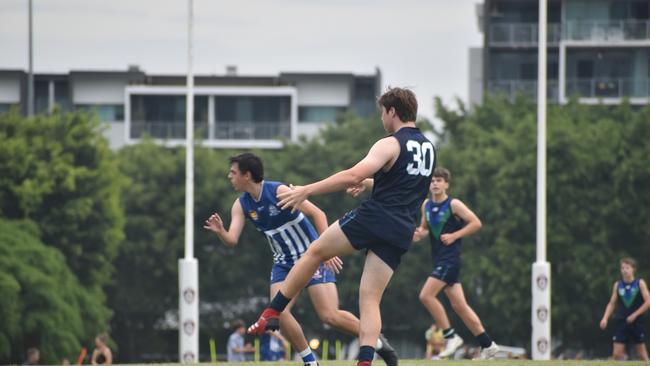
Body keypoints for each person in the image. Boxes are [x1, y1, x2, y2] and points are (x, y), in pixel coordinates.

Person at [247, 87, 434, 366]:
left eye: (383, 112)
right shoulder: (429, 148)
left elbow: (353, 174)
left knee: (315, 252)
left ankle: (273, 311)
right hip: (402, 229)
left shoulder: (390, 143)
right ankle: (366, 362)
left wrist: (306, 190)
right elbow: (405, 184)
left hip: (376, 217)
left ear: (392, 111)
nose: (382, 118)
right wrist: (371, 183)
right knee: (370, 299)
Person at [204, 153, 397, 366]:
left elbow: (319, 214)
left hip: (311, 256)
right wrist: (221, 231)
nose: (229, 176)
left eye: (233, 172)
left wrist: (328, 249)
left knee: (329, 316)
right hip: (283, 263)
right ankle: (310, 362)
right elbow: (232, 240)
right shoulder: (241, 205)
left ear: (247, 175)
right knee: (278, 311)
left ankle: (376, 341)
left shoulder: (279, 191)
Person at [413, 168, 499, 360]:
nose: (434, 184)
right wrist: (419, 233)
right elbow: (425, 227)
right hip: (438, 259)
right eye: (432, 181)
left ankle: (450, 336)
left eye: (439, 181)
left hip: (450, 259)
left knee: (426, 295)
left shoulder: (454, 204)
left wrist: (455, 235)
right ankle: (488, 345)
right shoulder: (426, 205)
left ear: (446, 184)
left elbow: (476, 223)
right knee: (460, 306)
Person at [599, 257, 650, 361]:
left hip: (636, 322)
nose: (624, 270)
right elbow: (612, 303)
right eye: (622, 268)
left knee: (641, 354)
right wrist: (605, 318)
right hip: (621, 320)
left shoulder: (640, 283)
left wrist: (635, 315)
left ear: (633, 269)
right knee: (617, 354)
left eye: (627, 268)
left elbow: (648, 302)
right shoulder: (618, 285)